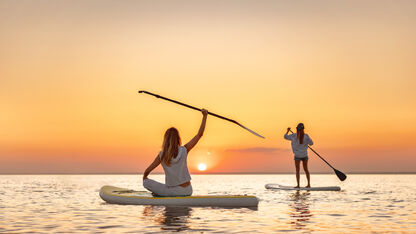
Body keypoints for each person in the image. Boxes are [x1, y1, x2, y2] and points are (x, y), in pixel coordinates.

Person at [142, 109, 208, 196]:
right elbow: (199, 135)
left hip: (173, 192)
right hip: (188, 190)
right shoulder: (184, 149)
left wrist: (145, 177)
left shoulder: (162, 155)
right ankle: (161, 193)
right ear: (178, 138)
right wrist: (204, 116)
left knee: (146, 182)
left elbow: (148, 170)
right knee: (166, 188)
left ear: (165, 139)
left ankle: (160, 194)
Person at [284, 123, 314, 188]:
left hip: (297, 155)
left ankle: (298, 185)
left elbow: (285, 136)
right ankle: (308, 184)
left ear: (297, 129)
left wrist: (288, 130)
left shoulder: (293, 135)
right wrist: (306, 142)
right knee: (306, 169)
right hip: (304, 155)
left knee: (297, 170)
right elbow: (311, 143)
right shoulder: (306, 136)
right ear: (303, 129)